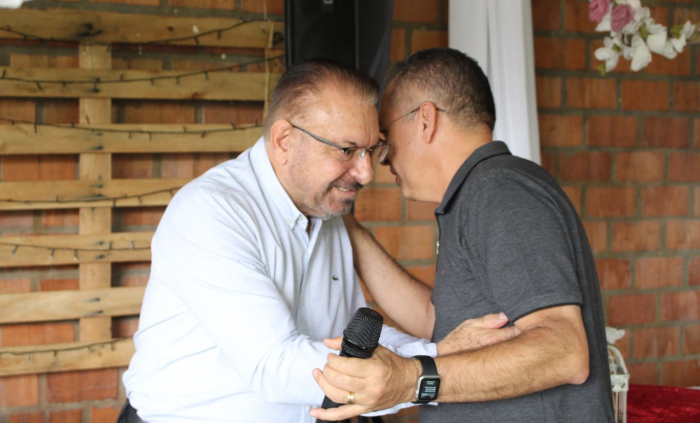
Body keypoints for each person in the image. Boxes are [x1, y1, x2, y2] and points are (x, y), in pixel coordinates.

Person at [120, 59, 518, 423]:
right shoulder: (211, 211)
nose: (366, 172)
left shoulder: (324, 211)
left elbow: (350, 335)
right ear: (284, 140)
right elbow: (275, 366)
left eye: (371, 150)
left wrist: (442, 351)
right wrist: (433, 361)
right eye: (347, 150)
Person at [310, 48, 615, 423]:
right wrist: (344, 224)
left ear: (426, 120)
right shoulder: (477, 194)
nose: (383, 158)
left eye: (385, 138)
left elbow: (564, 351)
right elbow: (434, 321)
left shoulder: (499, 191)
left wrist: (411, 380)